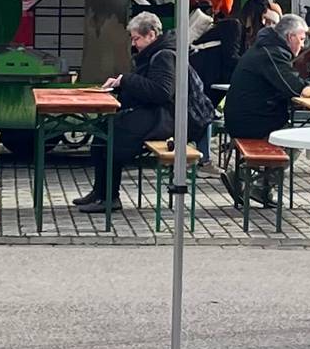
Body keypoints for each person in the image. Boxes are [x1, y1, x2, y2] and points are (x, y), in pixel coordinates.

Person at [80, 11, 213, 214]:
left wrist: (126, 80)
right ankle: (100, 191)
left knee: (111, 136)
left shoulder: (164, 56)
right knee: (102, 131)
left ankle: (109, 197)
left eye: (137, 39)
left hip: (169, 118)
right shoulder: (159, 52)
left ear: (151, 35)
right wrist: (121, 83)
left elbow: (161, 91)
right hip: (161, 113)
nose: (134, 45)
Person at [221, 14, 308, 207]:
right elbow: (292, 86)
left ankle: (245, 177)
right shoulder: (272, 53)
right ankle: (259, 186)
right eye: (301, 39)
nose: (303, 45)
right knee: (296, 139)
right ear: (290, 37)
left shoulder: (266, 48)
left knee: (290, 133)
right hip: (250, 121)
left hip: (243, 117)